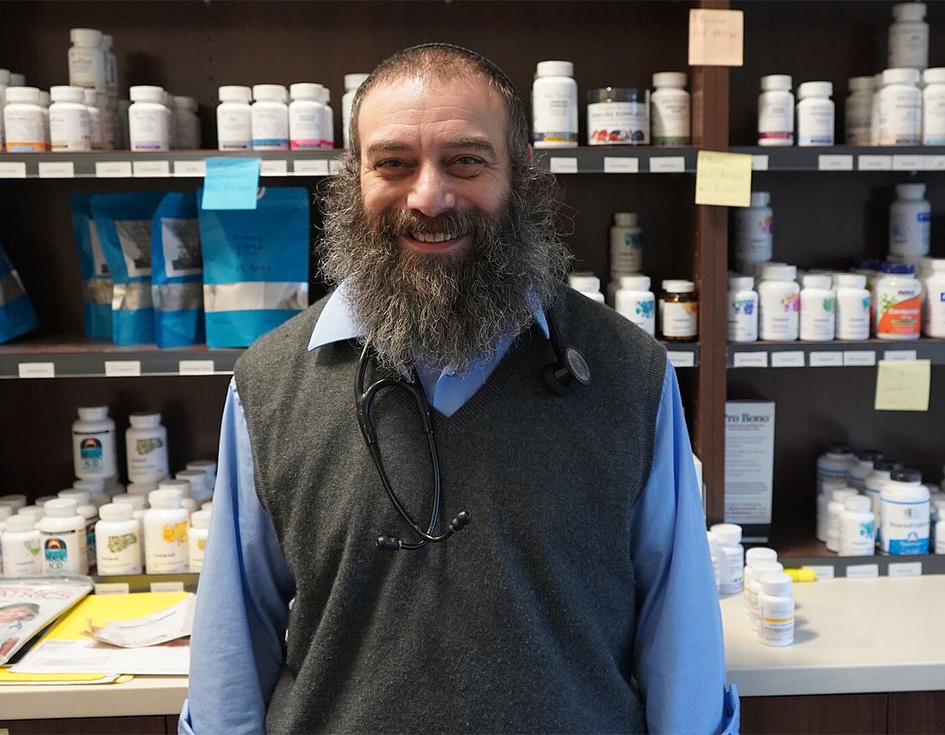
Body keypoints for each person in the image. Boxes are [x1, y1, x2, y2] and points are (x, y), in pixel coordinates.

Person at [182, 43, 739, 734]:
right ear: (354, 180)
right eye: (393, 163)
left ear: (522, 175)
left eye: (465, 161)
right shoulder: (270, 386)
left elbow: (678, 636)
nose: (428, 196)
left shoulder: (629, 374)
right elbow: (232, 649)